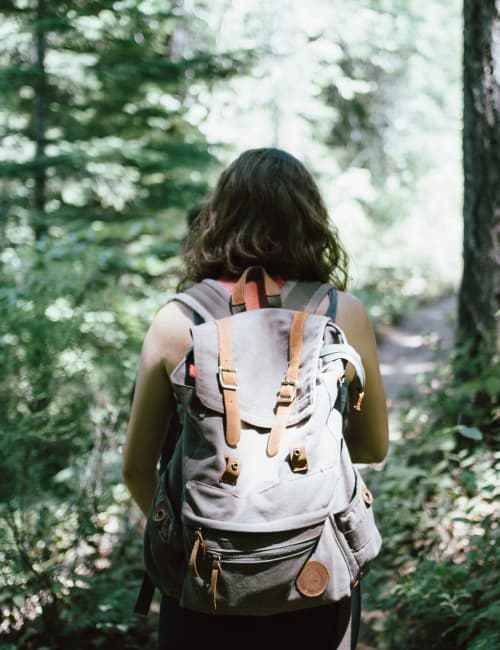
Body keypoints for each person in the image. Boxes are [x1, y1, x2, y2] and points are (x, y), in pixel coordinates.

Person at [122, 147, 389, 649]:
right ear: (309, 220)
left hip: (204, 584)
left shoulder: (176, 321)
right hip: (316, 576)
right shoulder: (342, 313)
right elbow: (373, 448)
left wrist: (200, 538)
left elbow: (137, 469)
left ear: (219, 218)